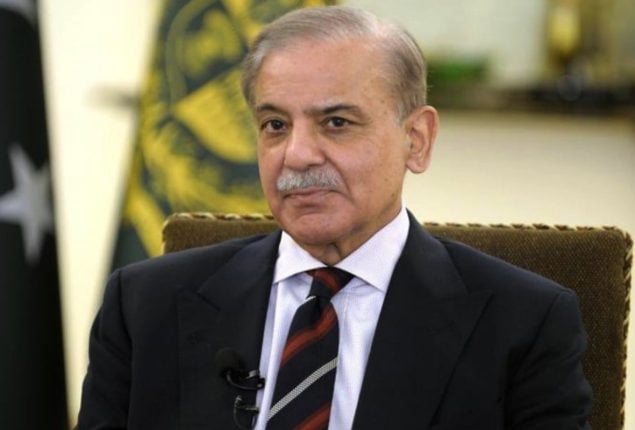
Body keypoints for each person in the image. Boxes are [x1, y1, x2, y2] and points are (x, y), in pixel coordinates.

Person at [77, 6, 592, 430]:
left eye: (336, 122)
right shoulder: (144, 306)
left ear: (416, 140)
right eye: (275, 124)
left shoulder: (524, 324)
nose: (297, 155)